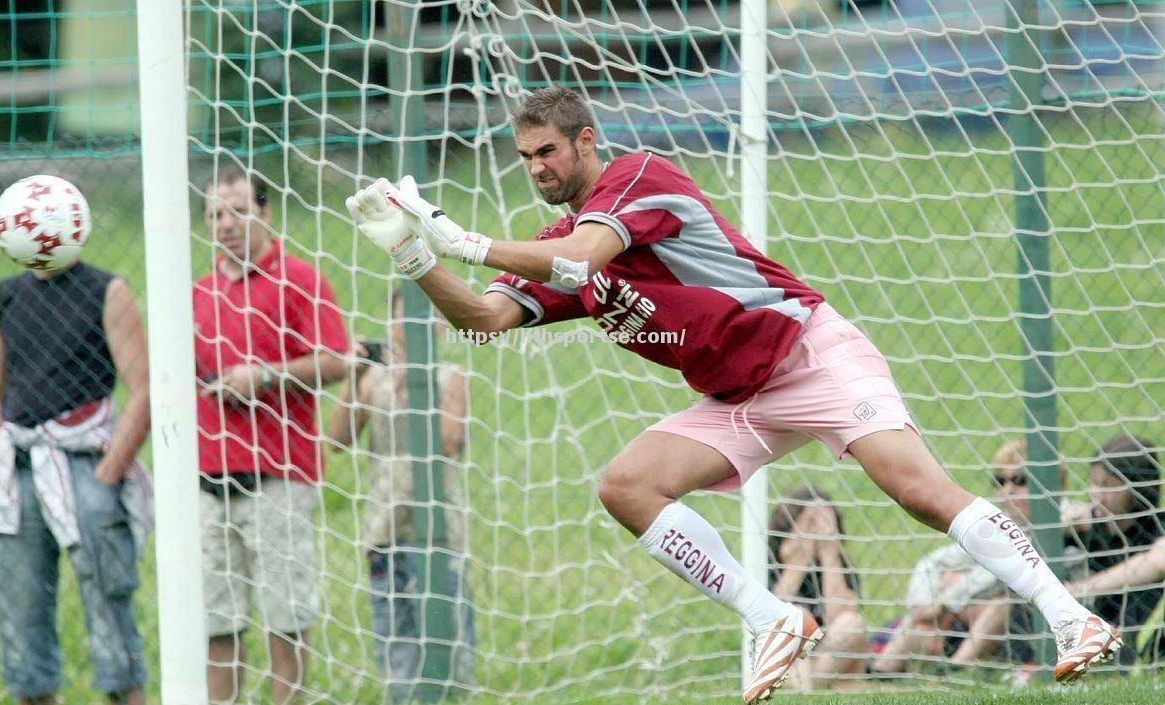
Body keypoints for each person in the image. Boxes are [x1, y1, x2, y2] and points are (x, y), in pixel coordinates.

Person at [344, 85, 1120, 701]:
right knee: (626, 486)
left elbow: (584, 262)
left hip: (810, 354)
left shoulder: (638, 176)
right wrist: (413, 252)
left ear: (585, 140)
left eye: (548, 150)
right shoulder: (551, 246)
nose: (538, 167)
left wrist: (459, 238)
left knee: (916, 489)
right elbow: (482, 317)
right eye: (524, 157)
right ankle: (774, 616)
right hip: (740, 394)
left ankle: (1072, 617)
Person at [0, 178, 152, 705]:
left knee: (108, 599)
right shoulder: (6, 295)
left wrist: (110, 471)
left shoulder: (107, 291)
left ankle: (125, 692)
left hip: (85, 465)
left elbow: (141, 389)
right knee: (19, 608)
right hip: (18, 468)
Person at [195, 168, 349, 704]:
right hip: (207, 477)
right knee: (217, 621)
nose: (226, 224)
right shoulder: (197, 294)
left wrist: (260, 375)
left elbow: (336, 360)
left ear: (265, 212)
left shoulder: (301, 280)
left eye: (237, 210)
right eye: (215, 213)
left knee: (285, 616)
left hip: (278, 473)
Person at [325, 291, 474, 701]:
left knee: (449, 647)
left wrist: (409, 382)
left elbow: (445, 440)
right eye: (401, 319)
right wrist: (355, 378)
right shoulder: (374, 380)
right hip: (386, 529)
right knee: (398, 648)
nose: (409, 328)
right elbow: (337, 439)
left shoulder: (451, 377)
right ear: (390, 325)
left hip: (440, 533)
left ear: (439, 327)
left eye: (422, 320)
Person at [870, 440, 1049, 676]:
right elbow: (934, 561)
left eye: (1020, 481)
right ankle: (880, 670)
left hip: (1030, 623)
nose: (1007, 490)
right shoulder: (994, 529)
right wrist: (927, 604)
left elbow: (999, 574)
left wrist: (944, 602)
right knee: (944, 586)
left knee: (995, 599)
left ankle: (955, 671)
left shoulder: (1062, 525)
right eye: (999, 481)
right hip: (971, 622)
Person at [1062, 435, 1164, 666]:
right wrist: (1062, 524)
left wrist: (1083, 589)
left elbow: (1158, 561)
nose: (1096, 493)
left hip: (1139, 626)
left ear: (1137, 486)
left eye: (1107, 486)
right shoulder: (1087, 526)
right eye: (1093, 483)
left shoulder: (1158, 525)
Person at [768, 488, 868, 689]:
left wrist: (829, 553)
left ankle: (808, 688)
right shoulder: (765, 561)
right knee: (795, 617)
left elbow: (842, 619)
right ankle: (808, 689)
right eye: (808, 524)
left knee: (852, 623)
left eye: (824, 524)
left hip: (827, 659)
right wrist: (798, 560)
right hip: (782, 659)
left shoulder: (840, 566)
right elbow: (769, 619)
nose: (817, 531)